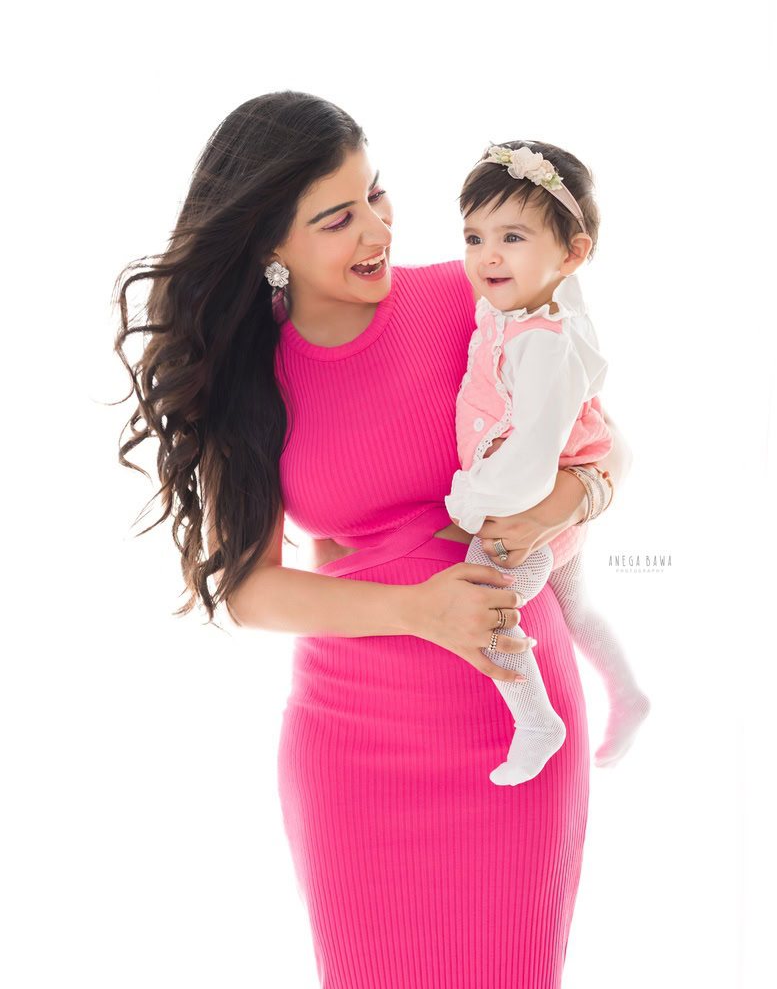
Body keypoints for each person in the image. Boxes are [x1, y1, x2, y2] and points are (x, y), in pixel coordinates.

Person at [113, 91, 633, 989]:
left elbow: (607, 437)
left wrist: (570, 498)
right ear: (269, 245)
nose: (377, 230)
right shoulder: (252, 379)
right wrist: (416, 610)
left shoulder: (464, 297)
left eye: (377, 195)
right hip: (351, 746)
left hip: (508, 727)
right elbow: (250, 588)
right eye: (336, 218)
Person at [443, 142, 650, 786]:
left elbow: (532, 460)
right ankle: (632, 696)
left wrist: (468, 502)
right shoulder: (525, 300)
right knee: (577, 610)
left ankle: (535, 720)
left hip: (525, 508)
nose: (487, 256)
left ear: (572, 255)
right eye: (474, 237)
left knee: (487, 604)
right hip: (562, 502)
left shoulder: (545, 344)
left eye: (511, 236)